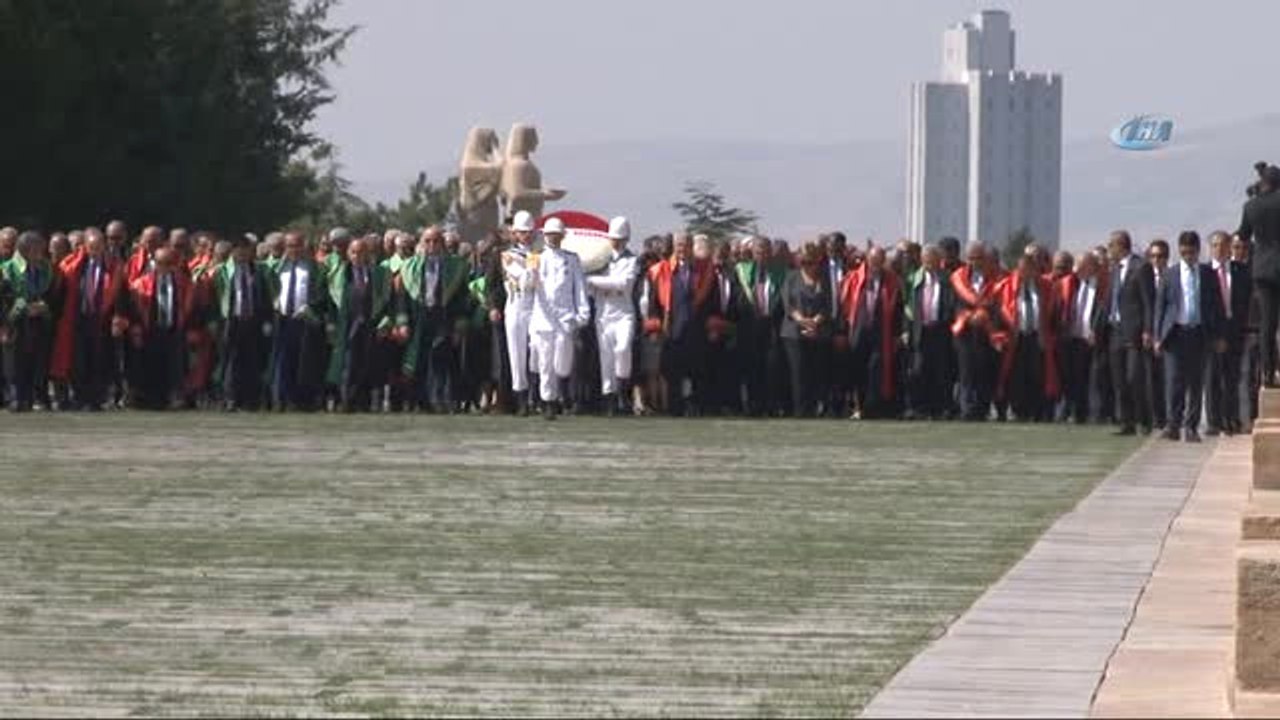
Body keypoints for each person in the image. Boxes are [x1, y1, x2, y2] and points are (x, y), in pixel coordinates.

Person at [1155, 231, 1224, 443]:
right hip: (1175, 333)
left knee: (1196, 383)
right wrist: (1158, 335)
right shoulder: (1170, 274)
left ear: (1197, 251)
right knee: (1174, 381)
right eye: (1184, 252)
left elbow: (1217, 306)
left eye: (1191, 252)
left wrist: (1219, 335)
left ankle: (1191, 427)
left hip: (1199, 334)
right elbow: (1160, 306)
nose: (1188, 256)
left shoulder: (1208, 274)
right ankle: (1172, 425)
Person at [49, 228, 126, 411]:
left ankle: (96, 399)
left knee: (98, 359)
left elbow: (120, 295)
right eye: (92, 246)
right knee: (79, 360)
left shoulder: (113, 266)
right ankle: (80, 397)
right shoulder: (76, 265)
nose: (96, 250)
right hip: (78, 318)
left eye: (99, 246)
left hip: (101, 318)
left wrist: (118, 316)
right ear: (85, 247)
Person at [399, 227, 469, 413]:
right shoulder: (409, 266)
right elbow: (403, 299)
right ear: (422, 243)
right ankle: (420, 401)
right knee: (418, 360)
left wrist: (459, 325)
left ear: (442, 244)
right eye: (427, 241)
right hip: (419, 318)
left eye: (436, 241)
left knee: (441, 360)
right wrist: (403, 323)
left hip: (444, 317)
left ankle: (441, 399)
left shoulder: (455, 266)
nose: (432, 245)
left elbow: (462, 297)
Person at [646, 231, 715, 416]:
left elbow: (711, 302)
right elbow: (654, 304)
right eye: (679, 245)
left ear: (692, 246)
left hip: (696, 329)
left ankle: (697, 407)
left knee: (697, 371)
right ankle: (674, 408)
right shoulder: (662, 271)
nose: (682, 249)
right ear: (674, 247)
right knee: (672, 372)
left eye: (686, 245)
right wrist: (654, 327)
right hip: (672, 330)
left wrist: (712, 325)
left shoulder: (703, 270)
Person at [528, 217, 590, 420]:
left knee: (562, 365)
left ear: (562, 236)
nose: (552, 238)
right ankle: (549, 402)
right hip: (544, 318)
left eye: (556, 234)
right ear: (544, 236)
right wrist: (531, 274)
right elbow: (528, 286)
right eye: (549, 234)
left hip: (565, 317)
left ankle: (559, 392)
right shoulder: (536, 257)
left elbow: (579, 287)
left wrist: (583, 312)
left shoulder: (571, 259)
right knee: (545, 363)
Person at [326, 238, 393, 412]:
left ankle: (364, 402)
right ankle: (346, 401)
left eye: (362, 252)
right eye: (354, 252)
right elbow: (332, 303)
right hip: (348, 326)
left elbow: (387, 302)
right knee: (348, 365)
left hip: (371, 325)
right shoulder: (341, 274)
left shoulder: (378, 274)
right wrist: (331, 324)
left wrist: (385, 322)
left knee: (368, 364)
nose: (358, 256)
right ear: (349, 254)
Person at [995, 250, 1059, 422]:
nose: (1026, 273)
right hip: (1016, 338)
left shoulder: (1046, 288)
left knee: (1038, 374)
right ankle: (1018, 410)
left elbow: (1053, 315)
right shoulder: (1007, 286)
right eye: (1022, 270)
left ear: (1036, 269)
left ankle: (1037, 410)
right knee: (1016, 376)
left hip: (1038, 337)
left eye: (1030, 269)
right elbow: (999, 314)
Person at [128, 247, 194, 409]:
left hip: (174, 329)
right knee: (151, 365)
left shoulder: (184, 284)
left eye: (170, 263)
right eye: (161, 263)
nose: (165, 267)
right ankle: (152, 398)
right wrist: (137, 328)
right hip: (151, 329)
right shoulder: (141, 284)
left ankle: (174, 396)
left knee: (175, 365)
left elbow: (190, 308)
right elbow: (134, 309)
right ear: (154, 264)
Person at [586, 217, 640, 416]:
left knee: (623, 349)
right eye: (614, 238)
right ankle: (609, 397)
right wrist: (598, 281)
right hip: (604, 314)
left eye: (620, 238)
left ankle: (623, 391)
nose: (616, 242)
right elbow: (589, 289)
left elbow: (624, 284)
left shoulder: (632, 260)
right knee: (606, 358)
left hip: (624, 313)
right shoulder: (600, 260)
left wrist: (595, 281)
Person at [842, 246, 903, 420]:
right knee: (857, 369)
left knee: (876, 370)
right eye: (874, 259)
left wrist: (897, 334)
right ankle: (858, 407)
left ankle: (873, 408)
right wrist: (842, 331)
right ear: (867, 259)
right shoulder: (853, 278)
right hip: (858, 331)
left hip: (881, 332)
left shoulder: (891, 280)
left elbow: (898, 309)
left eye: (880, 260)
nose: (877, 263)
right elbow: (844, 306)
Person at [214, 235, 273, 411]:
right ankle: (230, 398)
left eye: (246, 249)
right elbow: (213, 299)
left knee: (253, 361)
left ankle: (251, 400)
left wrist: (267, 321)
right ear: (232, 252)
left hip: (253, 321)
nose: (243, 253)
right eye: (239, 249)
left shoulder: (259, 272)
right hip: (232, 321)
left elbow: (266, 297)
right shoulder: (223, 271)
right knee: (231, 361)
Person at [270, 231, 328, 411]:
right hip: (283, 319)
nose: (293, 249)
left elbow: (322, 293)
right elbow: (271, 290)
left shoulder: (315, 268)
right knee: (283, 360)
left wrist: (310, 306)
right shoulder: (278, 267)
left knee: (304, 362)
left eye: (297, 245)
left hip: (305, 320)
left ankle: (302, 400)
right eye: (289, 246)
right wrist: (274, 301)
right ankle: (282, 399)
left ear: (304, 246)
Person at [1235, 165, 1280, 387]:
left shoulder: (1251, 206)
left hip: (1262, 270)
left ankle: (1267, 372)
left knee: (1267, 325)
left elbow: (1243, 235)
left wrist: (1254, 198)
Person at [1, 231, 55, 411]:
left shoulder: (45, 268)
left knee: (35, 360)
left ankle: (32, 398)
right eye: (38, 248)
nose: (43, 251)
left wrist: (43, 306)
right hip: (14, 323)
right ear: (26, 250)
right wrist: (23, 307)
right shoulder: (6, 269)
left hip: (38, 322)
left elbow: (51, 294)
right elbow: (5, 297)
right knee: (14, 362)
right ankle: (16, 398)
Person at [1105, 231, 1151, 435]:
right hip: (1116, 331)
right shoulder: (1114, 270)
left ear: (1120, 246)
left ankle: (1144, 420)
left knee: (1134, 378)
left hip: (1134, 331)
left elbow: (1148, 302)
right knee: (1119, 380)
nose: (1109, 249)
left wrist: (1148, 330)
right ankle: (1127, 422)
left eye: (1111, 245)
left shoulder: (1141, 267)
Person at [1205, 230, 1251, 435]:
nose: (1220, 249)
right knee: (1213, 379)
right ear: (1210, 247)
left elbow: (1245, 302)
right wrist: (1215, 336)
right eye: (1215, 245)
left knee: (1232, 379)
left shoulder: (1240, 270)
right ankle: (1214, 422)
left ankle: (1231, 419)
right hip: (1213, 335)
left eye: (1224, 245)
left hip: (1235, 332)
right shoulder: (1204, 272)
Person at [951, 242, 1004, 421]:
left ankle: (982, 408)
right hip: (965, 332)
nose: (976, 262)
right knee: (966, 371)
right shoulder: (958, 278)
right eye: (972, 258)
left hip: (987, 332)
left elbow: (999, 304)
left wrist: (985, 315)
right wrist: (967, 315)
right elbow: (953, 304)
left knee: (983, 371)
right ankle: (966, 409)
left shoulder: (996, 278)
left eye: (979, 258)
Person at [734, 236, 786, 417]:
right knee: (752, 367)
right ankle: (753, 405)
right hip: (750, 327)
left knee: (772, 367)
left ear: (770, 253)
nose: (761, 255)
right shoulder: (743, 271)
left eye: (765, 252)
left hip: (773, 326)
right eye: (758, 252)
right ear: (752, 253)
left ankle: (771, 405)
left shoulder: (781, 273)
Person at [904, 245, 956, 420]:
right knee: (918, 370)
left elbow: (951, 304)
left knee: (941, 371)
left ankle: (940, 408)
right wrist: (907, 330)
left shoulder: (947, 279)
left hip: (940, 331)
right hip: (920, 331)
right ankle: (919, 408)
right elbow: (907, 307)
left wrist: (945, 319)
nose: (929, 263)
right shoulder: (915, 280)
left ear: (938, 260)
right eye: (926, 260)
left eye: (933, 259)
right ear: (922, 260)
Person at [781, 242, 832, 417]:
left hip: (818, 332)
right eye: (803, 261)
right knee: (798, 373)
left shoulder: (824, 278)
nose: (807, 265)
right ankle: (800, 412)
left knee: (816, 374)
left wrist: (815, 322)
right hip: (793, 333)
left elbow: (828, 305)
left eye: (811, 261)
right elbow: (788, 304)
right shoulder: (791, 277)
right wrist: (802, 321)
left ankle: (815, 409)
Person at [1055, 251, 1106, 424]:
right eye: (1077, 266)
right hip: (1072, 339)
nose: (1078, 270)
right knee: (1072, 378)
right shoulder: (1071, 284)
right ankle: (1074, 412)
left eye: (1083, 266)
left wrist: (1096, 331)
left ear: (1092, 266)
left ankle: (1094, 415)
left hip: (1093, 340)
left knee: (1093, 380)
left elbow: (1103, 312)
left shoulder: (1102, 286)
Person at [501, 211, 538, 414]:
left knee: (536, 350)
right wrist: (531, 267)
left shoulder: (538, 254)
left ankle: (536, 394)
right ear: (515, 234)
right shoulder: (507, 255)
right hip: (516, 306)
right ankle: (521, 398)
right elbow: (524, 281)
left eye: (529, 232)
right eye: (522, 232)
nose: (526, 235)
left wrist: (532, 265)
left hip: (535, 307)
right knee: (516, 354)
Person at [705, 238, 742, 415]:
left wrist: (731, 324)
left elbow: (737, 299)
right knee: (710, 368)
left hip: (729, 328)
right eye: (719, 255)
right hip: (709, 329)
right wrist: (711, 325)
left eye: (725, 255)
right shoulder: (705, 274)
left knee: (729, 369)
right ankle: (711, 405)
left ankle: (730, 404)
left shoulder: (733, 273)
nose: (721, 258)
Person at [1143, 239, 1171, 430]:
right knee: (1151, 378)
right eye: (1152, 256)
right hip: (1149, 334)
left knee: (1169, 378)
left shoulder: (1172, 276)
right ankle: (1155, 418)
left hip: (1169, 335)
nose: (1156, 260)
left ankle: (1171, 417)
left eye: (1160, 256)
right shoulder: (1143, 277)